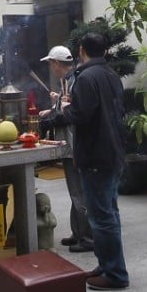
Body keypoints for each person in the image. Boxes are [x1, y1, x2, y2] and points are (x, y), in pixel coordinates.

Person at [52, 32, 130, 291]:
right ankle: (107, 265)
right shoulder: (111, 74)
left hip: (96, 153)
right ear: (105, 51)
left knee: (101, 217)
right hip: (113, 151)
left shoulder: (85, 77)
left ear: (82, 50)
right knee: (110, 213)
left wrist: (59, 113)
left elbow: (80, 114)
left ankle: (115, 274)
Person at [39, 45, 94, 253]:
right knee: (74, 192)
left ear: (56, 63)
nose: (51, 68)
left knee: (78, 192)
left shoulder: (75, 81)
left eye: (50, 64)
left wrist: (54, 117)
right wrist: (52, 109)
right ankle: (77, 232)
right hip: (71, 143)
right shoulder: (72, 79)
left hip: (74, 143)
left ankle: (87, 237)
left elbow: (72, 113)